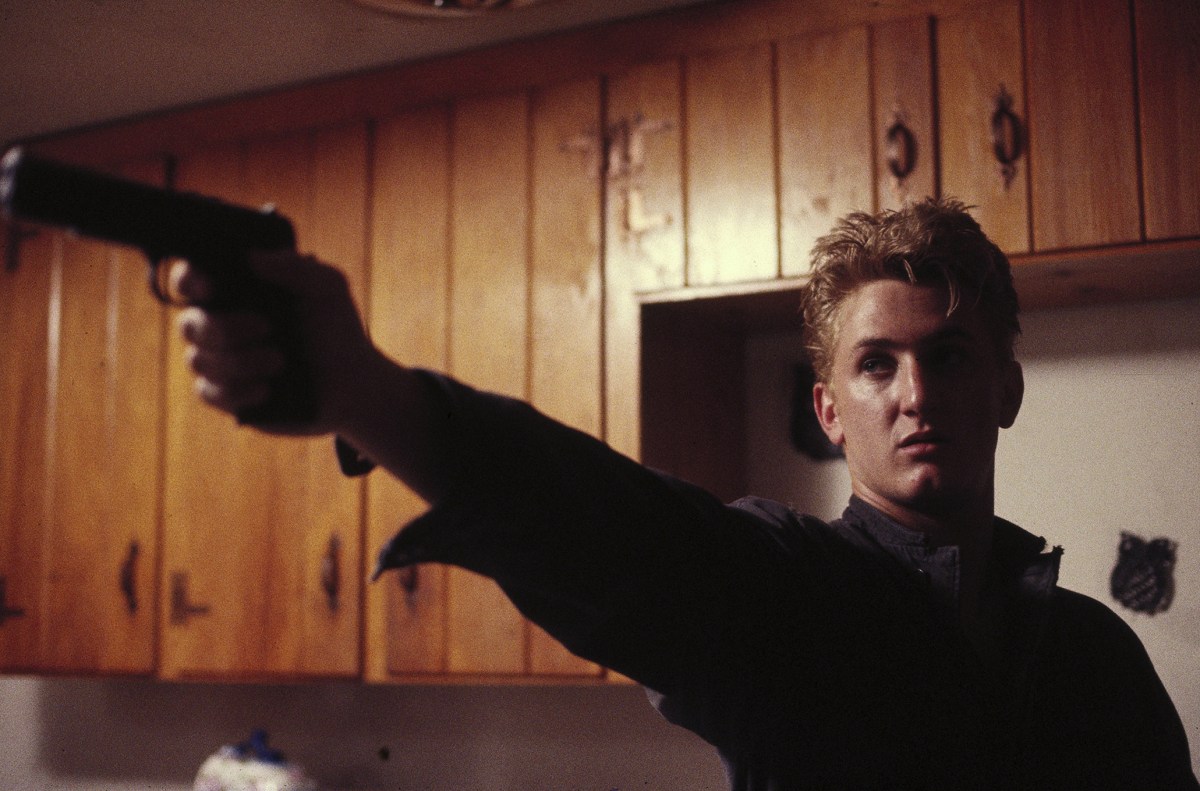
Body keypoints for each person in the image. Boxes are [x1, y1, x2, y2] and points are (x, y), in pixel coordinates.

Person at [174, 198, 1198, 790]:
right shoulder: (790, 597)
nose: (915, 394)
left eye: (952, 355)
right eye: (876, 363)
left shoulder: (1096, 656)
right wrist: (368, 392)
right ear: (830, 410)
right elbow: (613, 530)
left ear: (1007, 387)